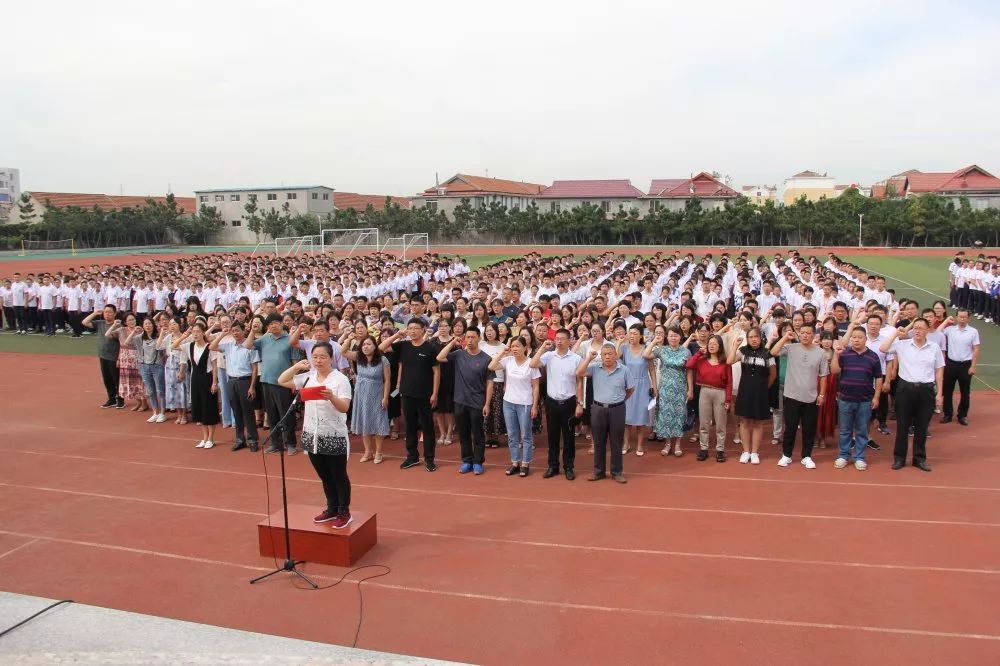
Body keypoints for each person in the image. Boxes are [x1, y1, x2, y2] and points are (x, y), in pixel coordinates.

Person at [278, 346, 354, 529]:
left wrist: (331, 397)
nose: (318, 361)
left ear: (331, 358)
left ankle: (344, 511)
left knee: (338, 475)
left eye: (322, 357)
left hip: (333, 434)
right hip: (312, 433)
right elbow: (282, 380)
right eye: (315, 357)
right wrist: (296, 367)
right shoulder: (308, 377)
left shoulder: (340, 380)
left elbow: (344, 407)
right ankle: (331, 508)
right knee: (325, 476)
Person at [880, 319, 944, 472]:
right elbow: (883, 348)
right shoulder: (903, 345)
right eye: (915, 328)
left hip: (926, 390)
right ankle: (899, 458)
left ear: (927, 330)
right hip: (905, 389)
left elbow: (939, 370)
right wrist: (896, 333)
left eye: (921, 328)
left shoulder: (934, 348)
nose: (917, 331)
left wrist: (939, 393)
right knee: (902, 426)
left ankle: (919, 458)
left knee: (922, 427)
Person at [381, 318, 441, 471]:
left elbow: (436, 372)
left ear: (423, 330)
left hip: (426, 395)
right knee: (410, 427)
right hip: (407, 394)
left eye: (416, 328)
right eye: (410, 328)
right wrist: (396, 335)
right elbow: (381, 347)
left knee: (427, 428)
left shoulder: (430, 348)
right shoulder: (403, 346)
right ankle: (412, 457)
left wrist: (435, 393)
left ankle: (429, 459)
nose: (413, 331)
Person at [770, 322, 829, 469]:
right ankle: (786, 455)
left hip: (811, 397)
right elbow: (773, 352)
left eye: (808, 333)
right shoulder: (790, 348)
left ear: (813, 335)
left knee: (809, 429)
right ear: (799, 333)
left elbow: (823, 376)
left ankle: (807, 456)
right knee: (790, 428)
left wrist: (821, 394)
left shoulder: (820, 352)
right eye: (802, 332)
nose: (805, 335)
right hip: (791, 395)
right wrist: (784, 338)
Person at [437, 326, 494, 475]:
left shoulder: (486, 359)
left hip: (477, 402)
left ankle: (478, 462)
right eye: (467, 337)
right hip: (460, 401)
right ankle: (467, 461)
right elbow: (440, 357)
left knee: (478, 434)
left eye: (473, 337)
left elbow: (490, 383)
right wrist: (451, 343)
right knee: (464, 433)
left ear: (479, 339)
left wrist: (487, 403)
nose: (469, 340)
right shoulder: (458, 354)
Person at [576, 342, 635, 483]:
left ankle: (617, 472)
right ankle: (598, 471)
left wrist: (619, 400)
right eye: (604, 354)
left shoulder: (624, 370)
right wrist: (589, 359)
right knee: (598, 442)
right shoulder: (595, 368)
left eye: (610, 354)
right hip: (598, 409)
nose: (607, 357)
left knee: (616, 442)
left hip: (617, 409)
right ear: (601, 356)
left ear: (616, 355)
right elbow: (579, 372)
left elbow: (630, 389)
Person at [530, 329, 583, 480]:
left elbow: (580, 382)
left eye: (562, 339)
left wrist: (580, 403)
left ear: (569, 341)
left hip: (569, 402)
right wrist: (542, 348)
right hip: (551, 402)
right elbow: (533, 364)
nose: (558, 341)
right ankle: (552, 466)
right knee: (552, 436)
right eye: (557, 338)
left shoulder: (576, 358)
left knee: (568, 437)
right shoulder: (548, 356)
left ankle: (569, 467)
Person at [833, 327, 883, 470]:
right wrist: (836, 356)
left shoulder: (873, 356)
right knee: (844, 430)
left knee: (862, 430)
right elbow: (835, 370)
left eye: (859, 337)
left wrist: (876, 397)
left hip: (865, 400)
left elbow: (878, 378)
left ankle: (859, 457)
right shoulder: (844, 354)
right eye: (853, 337)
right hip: (845, 399)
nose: (856, 340)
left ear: (865, 339)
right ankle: (843, 455)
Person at [490, 336, 541, 477]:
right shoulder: (508, 361)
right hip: (508, 403)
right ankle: (515, 462)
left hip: (525, 403)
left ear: (525, 348)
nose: (515, 349)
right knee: (512, 436)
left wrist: (535, 406)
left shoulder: (531, 364)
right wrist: (503, 352)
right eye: (513, 346)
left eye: (518, 346)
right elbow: (491, 366)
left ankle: (525, 463)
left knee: (526, 435)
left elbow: (536, 387)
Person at [246, 314, 297, 455]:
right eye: (270, 324)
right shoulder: (264, 339)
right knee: (272, 414)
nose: (273, 326)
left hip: (284, 383)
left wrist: (294, 382)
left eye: (275, 323)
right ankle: (276, 443)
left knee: (286, 415)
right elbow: (247, 345)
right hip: (266, 382)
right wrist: (252, 330)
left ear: (281, 323)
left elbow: (294, 363)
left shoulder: (290, 339)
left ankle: (291, 443)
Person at [209, 320, 260, 451]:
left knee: (248, 412)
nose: (235, 333)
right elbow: (212, 347)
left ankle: (253, 439)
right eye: (233, 331)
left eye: (238, 330)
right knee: (236, 411)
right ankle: (239, 439)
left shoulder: (250, 346)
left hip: (245, 381)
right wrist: (222, 334)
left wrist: (252, 386)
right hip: (231, 381)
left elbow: (255, 368)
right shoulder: (229, 345)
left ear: (244, 331)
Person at [727, 327, 775, 464]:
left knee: (758, 422)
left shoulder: (767, 354)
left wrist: (764, 388)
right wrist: (735, 345)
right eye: (751, 337)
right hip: (745, 390)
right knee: (744, 422)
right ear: (747, 339)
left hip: (760, 392)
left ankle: (754, 453)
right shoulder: (743, 352)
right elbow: (729, 361)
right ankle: (746, 451)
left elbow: (773, 375)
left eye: (756, 337)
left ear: (761, 338)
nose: (754, 339)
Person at [646, 326, 692, 457]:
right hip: (665, 387)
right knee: (665, 414)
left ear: (680, 337)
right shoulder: (662, 350)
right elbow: (646, 355)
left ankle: (677, 444)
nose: (673, 338)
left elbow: (689, 371)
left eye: (676, 336)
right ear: (667, 336)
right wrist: (655, 341)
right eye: (671, 335)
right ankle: (667, 444)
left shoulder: (686, 352)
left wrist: (690, 389)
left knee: (679, 415)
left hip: (680, 387)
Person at [686, 334, 732, 462]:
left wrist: (728, 399)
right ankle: (703, 449)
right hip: (704, 391)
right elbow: (689, 365)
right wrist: (698, 354)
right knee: (704, 422)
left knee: (720, 424)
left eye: (714, 344)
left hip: (720, 392)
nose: (711, 346)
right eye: (709, 343)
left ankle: (720, 450)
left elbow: (729, 382)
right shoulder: (701, 360)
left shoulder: (725, 362)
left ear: (720, 346)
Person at [173, 321, 220, 449]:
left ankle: (211, 438)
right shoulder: (189, 346)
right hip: (195, 379)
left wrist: (215, 382)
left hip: (207, 378)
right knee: (199, 408)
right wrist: (183, 336)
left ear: (203, 333)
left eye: (198, 331)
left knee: (209, 407)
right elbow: (174, 346)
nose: (195, 334)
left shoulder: (210, 347)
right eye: (193, 332)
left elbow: (215, 366)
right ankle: (204, 438)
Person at [346, 335, 391, 463]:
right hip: (361, 395)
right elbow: (343, 352)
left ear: (375, 346)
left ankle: (379, 452)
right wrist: (349, 338)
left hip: (377, 394)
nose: (365, 347)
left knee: (378, 423)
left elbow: (387, 380)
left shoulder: (383, 360)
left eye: (369, 344)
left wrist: (385, 397)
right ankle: (368, 451)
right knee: (364, 423)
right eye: (363, 344)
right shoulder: (359, 358)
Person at [619, 324, 655, 456]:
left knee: (641, 417)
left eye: (634, 333)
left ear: (641, 335)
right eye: (630, 333)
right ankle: (626, 444)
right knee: (626, 418)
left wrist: (654, 387)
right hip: (628, 385)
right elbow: (617, 359)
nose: (632, 336)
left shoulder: (646, 349)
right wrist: (619, 341)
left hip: (643, 384)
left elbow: (651, 369)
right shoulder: (624, 348)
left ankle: (640, 445)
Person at [940, 309, 980, 426]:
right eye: (960, 317)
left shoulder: (973, 332)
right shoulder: (950, 330)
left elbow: (976, 348)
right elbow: (937, 332)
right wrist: (947, 321)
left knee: (965, 392)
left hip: (965, 365)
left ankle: (962, 415)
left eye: (964, 317)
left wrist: (973, 366)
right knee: (947, 391)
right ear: (956, 317)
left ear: (968, 318)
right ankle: (947, 414)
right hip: (951, 364)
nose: (962, 319)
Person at [82, 304, 124, 408]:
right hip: (103, 355)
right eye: (105, 312)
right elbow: (84, 322)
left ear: (115, 313)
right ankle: (111, 398)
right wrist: (95, 313)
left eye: (110, 312)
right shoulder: (100, 323)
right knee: (107, 378)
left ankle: (120, 399)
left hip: (114, 356)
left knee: (116, 378)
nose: (107, 314)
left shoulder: (118, 325)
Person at [137, 317, 167, 423]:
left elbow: (163, 349)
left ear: (153, 325)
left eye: (149, 324)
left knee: (160, 390)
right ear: (143, 326)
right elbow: (126, 342)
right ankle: (155, 412)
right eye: (145, 324)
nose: (148, 326)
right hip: (144, 366)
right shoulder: (140, 337)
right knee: (150, 391)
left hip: (157, 366)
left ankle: (163, 413)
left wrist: (162, 333)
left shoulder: (158, 336)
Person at [161, 318, 190, 425]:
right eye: (170, 324)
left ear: (179, 324)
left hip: (180, 364)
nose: (172, 326)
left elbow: (184, 355)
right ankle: (179, 414)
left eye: (174, 323)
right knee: (172, 389)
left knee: (182, 389)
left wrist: (182, 370)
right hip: (169, 365)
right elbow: (159, 346)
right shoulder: (168, 337)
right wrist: (161, 334)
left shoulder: (185, 337)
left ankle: (184, 414)